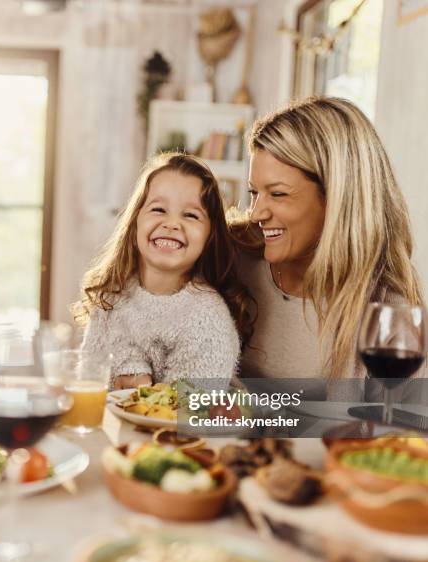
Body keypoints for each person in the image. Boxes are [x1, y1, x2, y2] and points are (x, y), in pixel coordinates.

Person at [235, 96, 424, 394]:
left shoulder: (388, 307)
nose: (257, 212)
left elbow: (407, 429)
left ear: (336, 198)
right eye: (254, 192)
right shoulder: (231, 259)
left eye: (278, 194)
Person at [73, 153, 252, 389]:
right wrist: (128, 367)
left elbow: (186, 413)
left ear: (210, 237)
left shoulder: (208, 320)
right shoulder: (110, 297)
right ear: (135, 223)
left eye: (190, 215)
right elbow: (89, 381)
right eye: (158, 209)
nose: (172, 223)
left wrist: (136, 390)